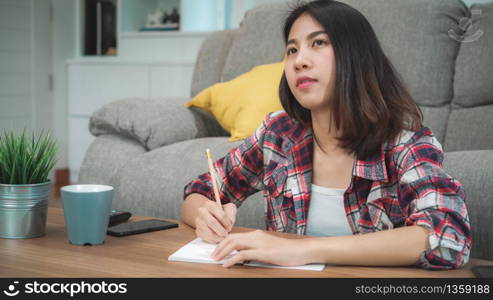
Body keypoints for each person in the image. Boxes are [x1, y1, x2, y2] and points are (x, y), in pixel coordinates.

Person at [181, 0, 471, 270]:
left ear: (356, 55)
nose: (299, 61)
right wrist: (206, 214)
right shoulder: (277, 134)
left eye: (318, 43)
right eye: (292, 50)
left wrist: (302, 250)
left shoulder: (404, 141)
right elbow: (201, 189)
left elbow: (447, 237)